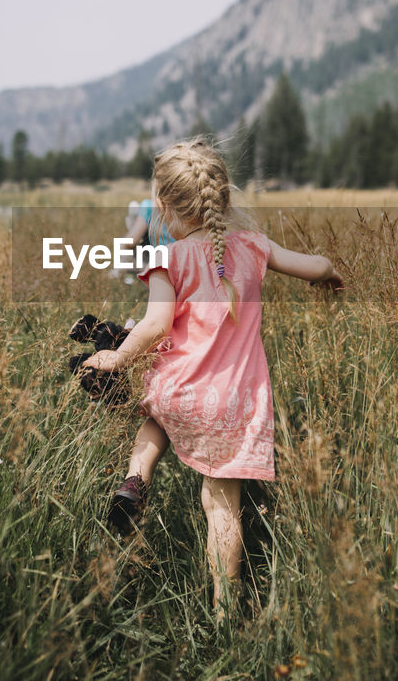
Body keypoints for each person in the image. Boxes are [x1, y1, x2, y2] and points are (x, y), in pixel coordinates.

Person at [84, 137, 343, 620]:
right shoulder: (254, 246)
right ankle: (226, 615)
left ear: (161, 206)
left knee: (155, 416)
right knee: (221, 507)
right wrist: (329, 277)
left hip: (180, 391)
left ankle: (136, 480)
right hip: (236, 405)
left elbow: (156, 325)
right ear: (222, 197)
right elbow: (316, 266)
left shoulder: (167, 259)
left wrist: (116, 358)